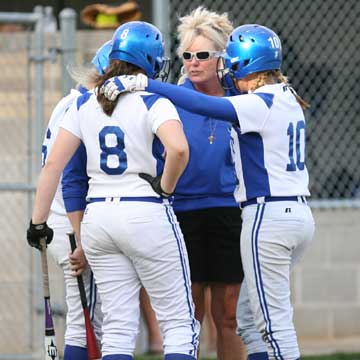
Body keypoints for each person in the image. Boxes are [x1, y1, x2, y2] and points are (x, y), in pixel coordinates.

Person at [102, 23, 316, 360]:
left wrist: (145, 83)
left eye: (228, 62)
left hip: (267, 216)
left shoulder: (258, 101)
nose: (227, 70)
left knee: (272, 326)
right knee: (249, 316)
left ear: (244, 63)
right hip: (295, 215)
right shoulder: (285, 95)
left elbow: (210, 107)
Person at [26, 21, 200, 360]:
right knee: (179, 323)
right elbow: (179, 150)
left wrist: (37, 222)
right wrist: (165, 188)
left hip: (98, 218)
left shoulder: (81, 104)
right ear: (148, 62)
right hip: (145, 210)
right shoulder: (154, 101)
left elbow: (53, 167)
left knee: (118, 329)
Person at [169, 7, 245, 360]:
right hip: (184, 210)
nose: (193, 62)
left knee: (227, 315)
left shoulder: (240, 97)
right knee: (191, 315)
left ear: (220, 58)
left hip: (230, 211)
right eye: (187, 55)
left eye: (202, 55)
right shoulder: (170, 99)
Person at [34, 40, 111, 360]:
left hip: (60, 219)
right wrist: (82, 240)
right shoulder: (86, 106)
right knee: (86, 319)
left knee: (90, 317)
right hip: (71, 220)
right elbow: (70, 178)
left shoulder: (69, 100)